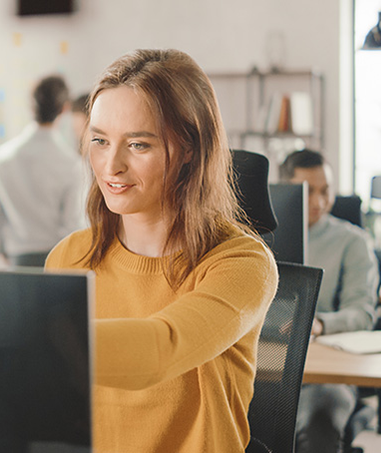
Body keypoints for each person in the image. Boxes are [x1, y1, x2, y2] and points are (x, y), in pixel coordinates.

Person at [45, 49, 278, 452]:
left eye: (138, 145)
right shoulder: (69, 258)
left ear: (189, 148)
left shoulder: (242, 264)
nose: (111, 165)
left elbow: (160, 348)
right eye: (99, 140)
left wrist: (28, 339)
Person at [280, 149, 379, 453]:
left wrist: (320, 323)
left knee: (317, 422)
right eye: (308, 192)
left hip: (327, 371)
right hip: (266, 364)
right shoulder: (255, 239)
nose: (319, 202)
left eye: (326, 191)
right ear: (285, 190)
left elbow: (362, 312)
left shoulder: (352, 241)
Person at [0, 75, 86, 267]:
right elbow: (73, 225)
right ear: (65, 108)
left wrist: (0, 249)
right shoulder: (71, 164)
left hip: (14, 260)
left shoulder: (1, 159)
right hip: (56, 259)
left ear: (31, 107)